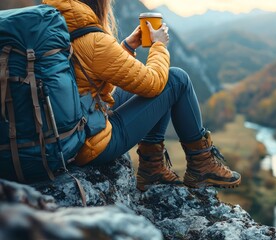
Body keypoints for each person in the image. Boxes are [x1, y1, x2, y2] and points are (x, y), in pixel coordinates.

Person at [41, 0, 241, 190]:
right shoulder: (92, 40)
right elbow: (153, 84)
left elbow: (94, 76)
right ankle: (201, 164)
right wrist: (159, 45)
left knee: (146, 83)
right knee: (175, 79)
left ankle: (152, 167)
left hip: (68, 130)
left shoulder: (56, 29)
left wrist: (127, 47)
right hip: (89, 144)